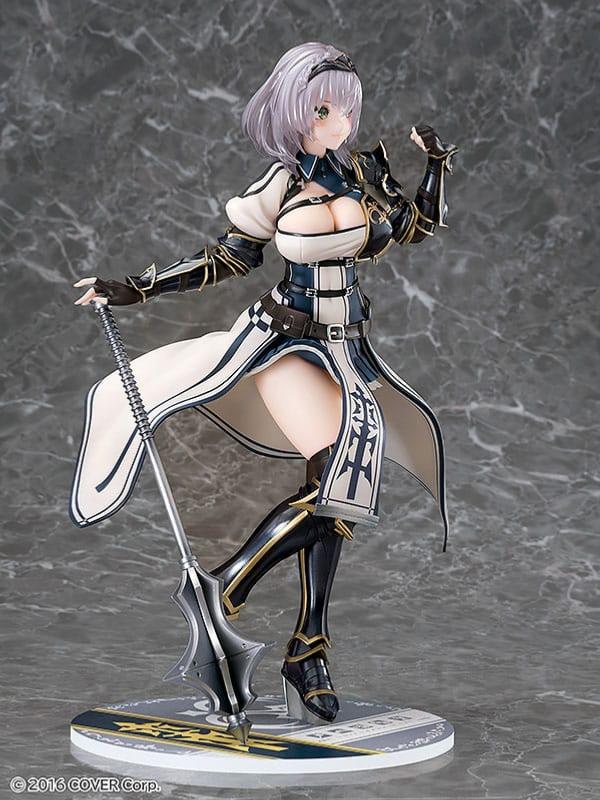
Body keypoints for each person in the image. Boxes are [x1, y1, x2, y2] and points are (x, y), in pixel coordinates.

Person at [70, 41, 458, 724]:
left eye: (345, 108)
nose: (339, 122)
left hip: (350, 348)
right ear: (292, 111)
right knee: (338, 481)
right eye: (323, 110)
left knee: (337, 501)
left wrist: (435, 166)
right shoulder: (278, 183)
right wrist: (137, 288)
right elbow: (227, 258)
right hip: (287, 343)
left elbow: (415, 229)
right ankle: (229, 590)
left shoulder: (362, 174)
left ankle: (303, 646)